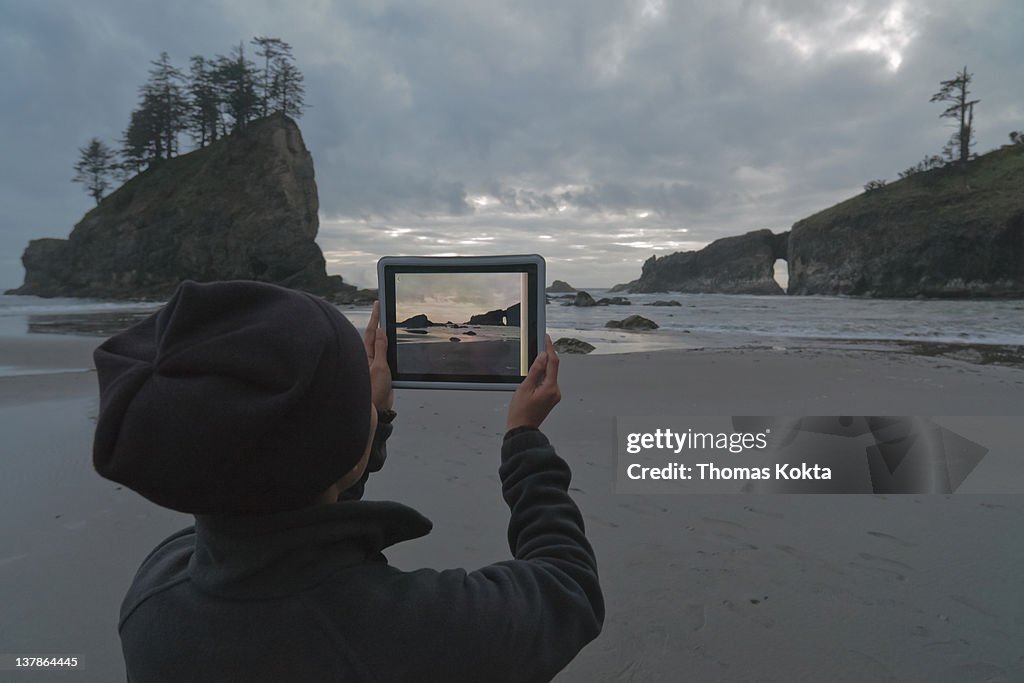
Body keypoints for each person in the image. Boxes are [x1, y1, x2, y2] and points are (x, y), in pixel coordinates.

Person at [92, 280, 603, 682]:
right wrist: (523, 438)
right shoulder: (411, 634)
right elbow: (567, 588)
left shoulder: (156, 592)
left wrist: (364, 423)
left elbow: (289, 487)